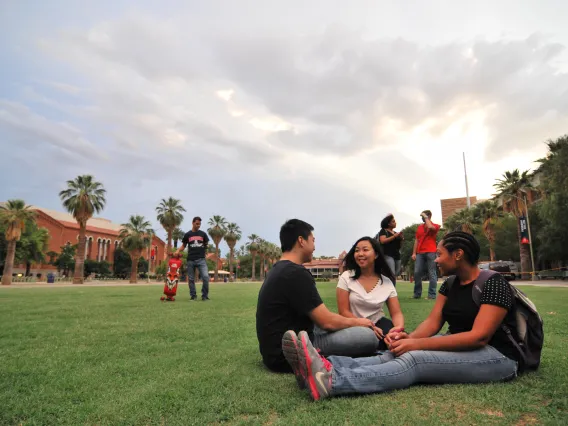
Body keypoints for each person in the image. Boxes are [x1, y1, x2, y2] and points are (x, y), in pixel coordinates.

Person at [283, 231, 522, 401]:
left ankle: (332, 382)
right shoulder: (450, 284)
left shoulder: (493, 283)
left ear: (458, 255)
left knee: (414, 360)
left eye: (439, 255)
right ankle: (321, 366)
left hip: (498, 356)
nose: (435, 260)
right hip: (464, 345)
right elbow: (432, 322)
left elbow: (479, 337)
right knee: (392, 352)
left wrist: (415, 345)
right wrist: (406, 340)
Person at [256, 219, 381, 376]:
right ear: (301, 241)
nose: (314, 246)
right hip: (287, 354)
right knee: (369, 337)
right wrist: (359, 322)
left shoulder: (279, 269)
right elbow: (326, 321)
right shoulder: (295, 273)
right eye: (313, 240)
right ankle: (314, 357)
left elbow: (319, 318)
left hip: (273, 352)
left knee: (344, 326)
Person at [336, 237, 404, 350]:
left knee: (396, 341)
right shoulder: (346, 277)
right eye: (357, 250)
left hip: (379, 323)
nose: (360, 254)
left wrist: (398, 329)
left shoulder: (386, 282)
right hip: (353, 324)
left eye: (365, 250)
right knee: (364, 343)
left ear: (376, 255)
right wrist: (366, 326)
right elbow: (344, 312)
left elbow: (396, 313)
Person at [175, 216, 210, 301]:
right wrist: (178, 250)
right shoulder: (188, 235)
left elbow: (206, 244)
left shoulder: (203, 234)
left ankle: (204, 296)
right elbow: (183, 246)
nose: (198, 225)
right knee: (191, 279)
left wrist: (206, 249)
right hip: (190, 259)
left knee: (205, 277)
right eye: (197, 224)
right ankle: (193, 296)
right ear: (193, 223)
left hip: (201, 259)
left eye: (200, 224)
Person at [412, 210, 441, 299]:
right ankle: (417, 294)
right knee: (417, 272)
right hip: (420, 252)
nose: (422, 218)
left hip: (431, 251)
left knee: (432, 273)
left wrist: (425, 216)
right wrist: (414, 253)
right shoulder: (420, 227)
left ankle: (431, 295)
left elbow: (430, 227)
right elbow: (417, 240)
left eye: (423, 216)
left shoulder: (435, 226)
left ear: (428, 216)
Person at [377, 214, 404, 286]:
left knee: (395, 274)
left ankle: (391, 291)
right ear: (388, 223)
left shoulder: (395, 233)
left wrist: (401, 239)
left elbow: (399, 246)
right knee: (391, 274)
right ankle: (391, 292)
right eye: (393, 221)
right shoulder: (383, 231)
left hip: (397, 256)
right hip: (388, 255)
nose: (395, 223)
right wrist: (394, 236)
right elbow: (382, 241)